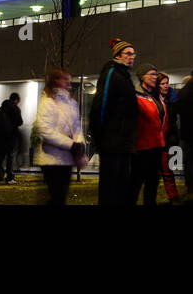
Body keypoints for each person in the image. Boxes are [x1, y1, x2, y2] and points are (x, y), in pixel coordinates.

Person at [89, 37, 139, 205]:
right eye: (128, 54)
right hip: (112, 140)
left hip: (122, 141)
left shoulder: (123, 74)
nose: (132, 57)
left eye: (133, 54)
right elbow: (101, 104)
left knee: (120, 185)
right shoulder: (112, 72)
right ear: (117, 55)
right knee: (111, 185)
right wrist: (100, 134)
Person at [34, 68, 86, 205]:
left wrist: (80, 143)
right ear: (55, 81)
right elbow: (45, 130)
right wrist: (71, 144)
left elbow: (76, 127)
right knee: (57, 198)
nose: (68, 82)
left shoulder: (72, 102)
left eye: (69, 79)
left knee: (60, 197)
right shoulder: (47, 101)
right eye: (64, 79)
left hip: (67, 159)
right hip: (51, 159)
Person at [132, 63, 168, 205]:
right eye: (151, 74)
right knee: (135, 184)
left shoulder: (155, 96)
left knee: (152, 184)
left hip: (156, 146)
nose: (155, 77)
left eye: (155, 74)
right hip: (141, 148)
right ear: (142, 77)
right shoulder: (136, 95)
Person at [158, 73, 181, 202]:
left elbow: (173, 119)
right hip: (155, 138)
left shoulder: (172, 99)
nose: (166, 86)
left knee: (167, 170)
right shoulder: (154, 99)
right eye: (163, 83)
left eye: (167, 83)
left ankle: (173, 195)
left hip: (167, 138)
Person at [0, 92, 22, 184]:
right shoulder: (15, 108)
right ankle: (10, 178)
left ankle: (0, 178)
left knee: (0, 158)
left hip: (1, 137)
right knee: (10, 157)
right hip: (11, 137)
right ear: (16, 100)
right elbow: (20, 122)